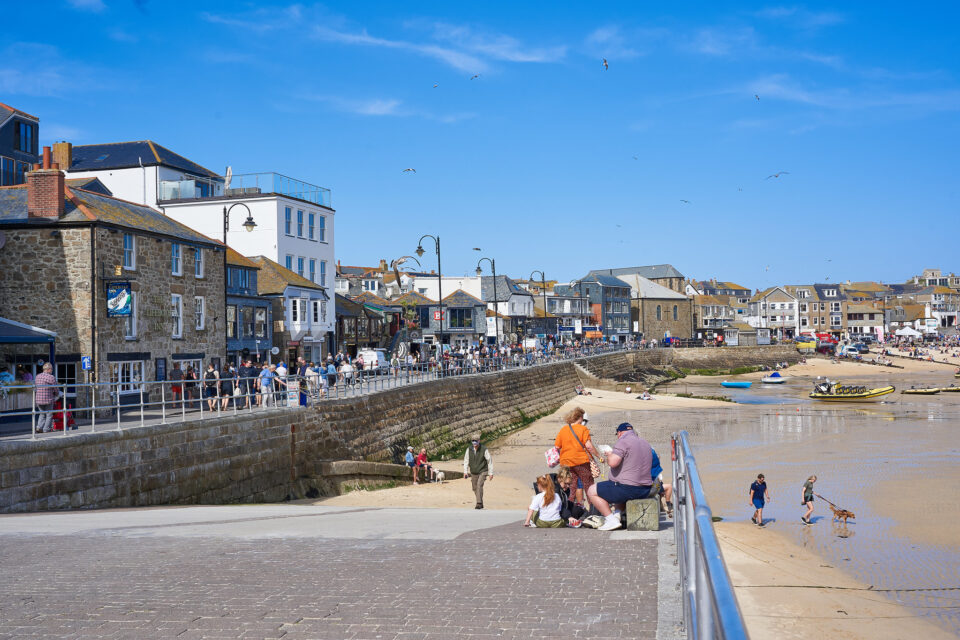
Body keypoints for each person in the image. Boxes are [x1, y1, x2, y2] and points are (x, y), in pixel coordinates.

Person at [587, 423, 654, 531]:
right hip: (645, 489)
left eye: (617, 434)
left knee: (591, 490)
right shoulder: (645, 443)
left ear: (619, 433)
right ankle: (617, 514)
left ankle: (611, 520)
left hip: (628, 488)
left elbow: (613, 463)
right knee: (617, 483)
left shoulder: (623, 441)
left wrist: (609, 455)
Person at [553, 407, 599, 502]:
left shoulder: (563, 430)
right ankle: (593, 509)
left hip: (566, 462)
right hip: (581, 461)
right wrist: (599, 456)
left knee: (571, 487)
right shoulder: (583, 429)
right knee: (588, 485)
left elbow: (557, 447)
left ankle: (570, 508)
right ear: (579, 417)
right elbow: (589, 446)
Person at [463, 432, 493, 509]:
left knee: (479, 485)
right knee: (474, 488)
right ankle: (481, 502)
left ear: (479, 441)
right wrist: (465, 472)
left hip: (483, 470)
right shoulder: (468, 449)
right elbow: (466, 461)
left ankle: (478, 503)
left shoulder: (484, 449)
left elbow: (489, 460)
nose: (474, 442)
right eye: (473, 441)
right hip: (473, 472)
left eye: (476, 441)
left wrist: (490, 473)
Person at [34, 362, 58, 433]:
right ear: (49, 369)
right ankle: (46, 429)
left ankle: (39, 427)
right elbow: (56, 389)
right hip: (48, 399)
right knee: (49, 414)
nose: (52, 371)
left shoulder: (37, 376)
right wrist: (57, 394)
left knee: (42, 413)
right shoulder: (51, 377)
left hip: (38, 399)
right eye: (51, 369)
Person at [650, 448, 673, 517]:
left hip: (650, 486)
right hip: (652, 487)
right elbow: (657, 481)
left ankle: (662, 506)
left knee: (660, 489)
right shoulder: (654, 469)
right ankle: (668, 504)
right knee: (669, 487)